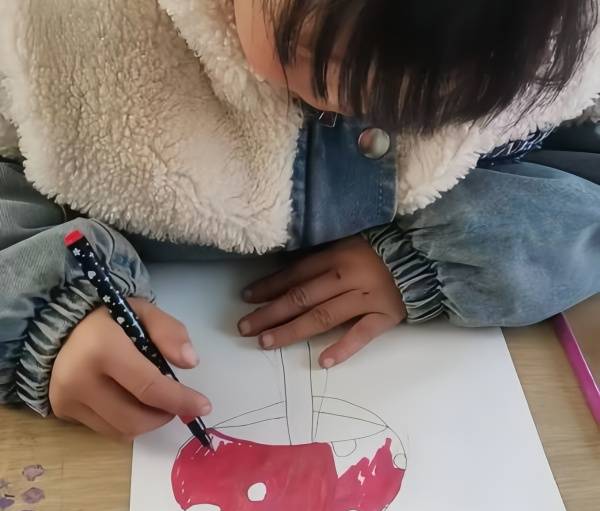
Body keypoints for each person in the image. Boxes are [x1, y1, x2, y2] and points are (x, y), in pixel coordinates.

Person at [0, 0, 599, 440]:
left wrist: (428, 261)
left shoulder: (552, 51)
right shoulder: (70, 34)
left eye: (439, 90)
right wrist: (47, 323)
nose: (368, 100)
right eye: (320, 57)